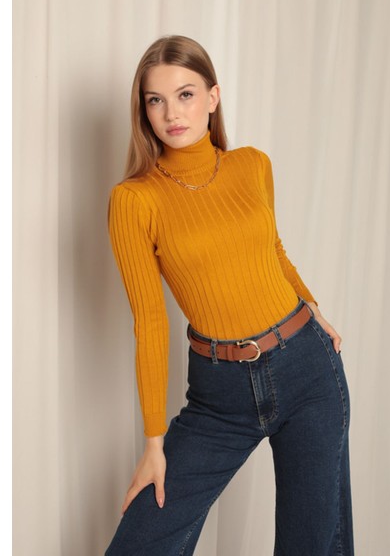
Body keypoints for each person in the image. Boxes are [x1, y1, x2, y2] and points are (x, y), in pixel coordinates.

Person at [105, 35, 354, 556]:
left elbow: (273, 251)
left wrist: (312, 306)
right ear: (143, 110)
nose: (172, 113)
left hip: (308, 369)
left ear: (213, 97)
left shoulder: (252, 164)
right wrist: (154, 442)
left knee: (312, 545)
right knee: (141, 543)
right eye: (155, 100)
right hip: (219, 394)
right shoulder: (135, 200)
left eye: (186, 94)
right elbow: (150, 320)